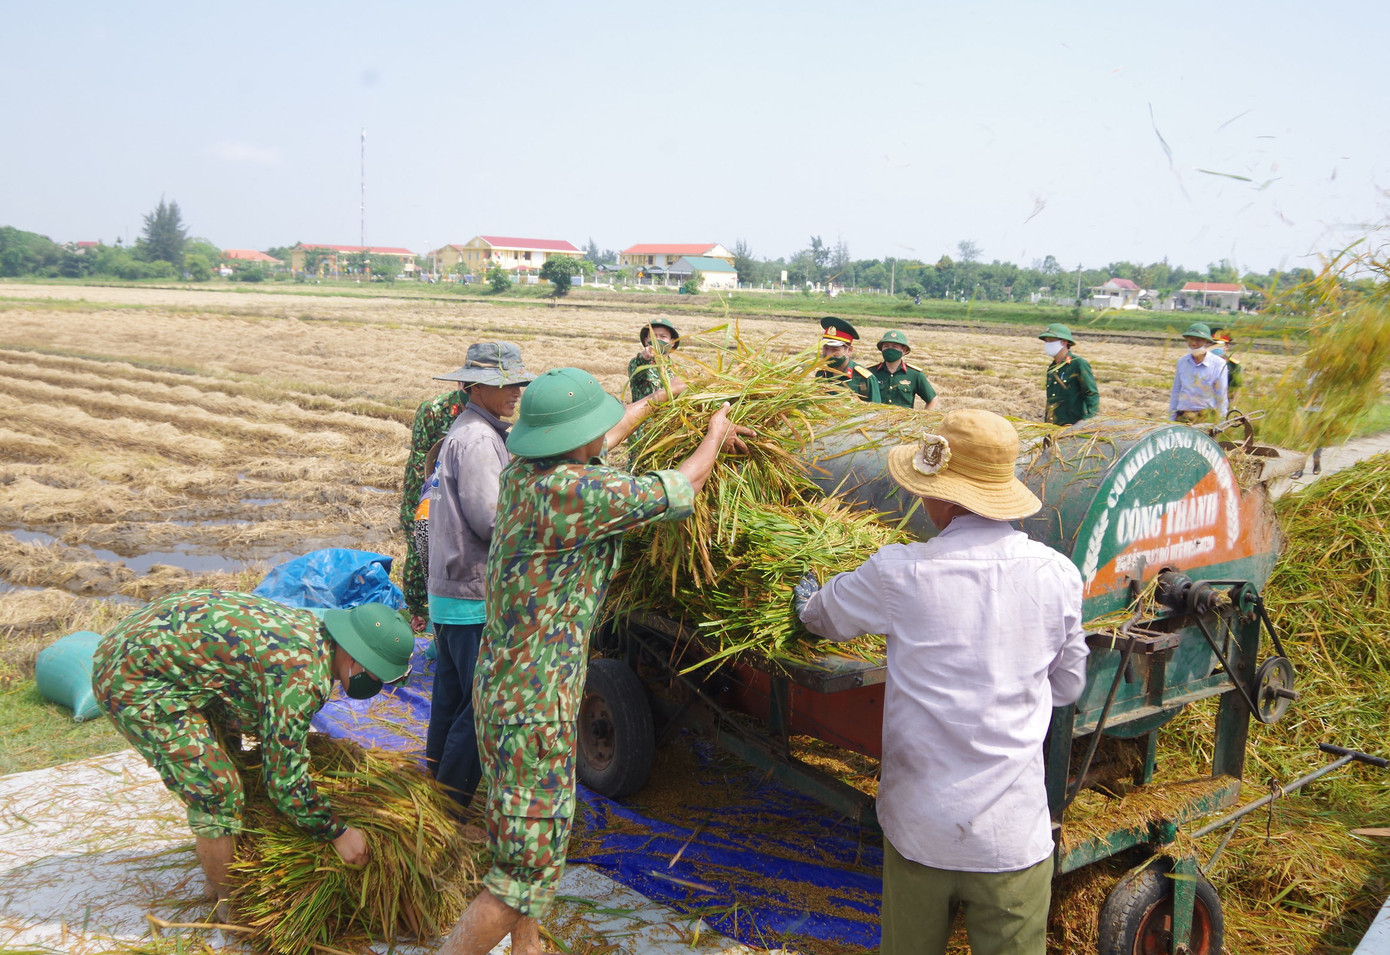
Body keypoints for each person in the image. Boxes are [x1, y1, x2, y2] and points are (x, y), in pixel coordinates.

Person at [437, 368, 751, 955]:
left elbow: (602, 440)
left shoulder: (525, 473)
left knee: (522, 846)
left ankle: (528, 948)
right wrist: (714, 432)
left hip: (507, 691)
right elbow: (680, 486)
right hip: (534, 706)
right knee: (523, 874)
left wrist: (655, 402)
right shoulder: (574, 492)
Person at [793, 409, 1089, 955]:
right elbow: (1069, 685)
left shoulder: (899, 571)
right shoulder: (1058, 575)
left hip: (920, 832)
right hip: (1010, 838)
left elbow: (822, 618)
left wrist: (806, 597)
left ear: (947, 501)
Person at [91, 590, 414, 917]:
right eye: (376, 673)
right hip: (133, 676)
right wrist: (338, 833)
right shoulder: (302, 676)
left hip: (159, 650)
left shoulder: (316, 631)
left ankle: (221, 857)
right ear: (354, 659)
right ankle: (229, 902)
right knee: (218, 790)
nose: (376, 684)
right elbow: (284, 782)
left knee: (233, 759)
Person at [425, 342, 538, 817]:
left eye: (518, 383)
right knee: (482, 707)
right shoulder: (478, 441)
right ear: (473, 387)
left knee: (451, 701)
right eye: (504, 384)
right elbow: (492, 520)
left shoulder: (472, 431)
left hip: (451, 593)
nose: (516, 392)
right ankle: (448, 813)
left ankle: (430, 798)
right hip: (473, 595)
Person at [400, 383, 467, 633]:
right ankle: (418, 608)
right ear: (460, 384)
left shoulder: (485, 411)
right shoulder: (434, 410)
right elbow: (421, 461)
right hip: (429, 486)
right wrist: (427, 503)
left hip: (461, 487)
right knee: (420, 545)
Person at [1039, 322, 1100, 426]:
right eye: (1046, 341)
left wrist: (1087, 420)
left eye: (1051, 340)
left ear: (1064, 342)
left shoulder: (1078, 364)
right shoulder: (1052, 369)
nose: (1047, 344)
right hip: (1053, 426)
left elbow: (1091, 394)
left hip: (1073, 426)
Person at [1169, 322, 1228, 424]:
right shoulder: (1182, 362)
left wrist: (1221, 420)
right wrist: (1171, 416)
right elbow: (1176, 390)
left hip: (1205, 418)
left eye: (1198, 340)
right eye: (1191, 339)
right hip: (1183, 416)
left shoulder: (1218, 364)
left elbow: (1221, 394)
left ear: (1206, 342)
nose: (1193, 343)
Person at [816, 316, 881, 403]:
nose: (828, 354)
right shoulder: (821, 375)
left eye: (835, 350)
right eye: (826, 348)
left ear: (849, 350)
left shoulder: (864, 379)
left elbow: (876, 409)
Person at [869, 330, 938, 409]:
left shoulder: (914, 374)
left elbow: (932, 399)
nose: (890, 349)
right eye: (886, 346)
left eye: (894, 346)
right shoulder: (870, 373)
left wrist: (924, 416)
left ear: (904, 350)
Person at [627, 318, 680, 402]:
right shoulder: (639, 363)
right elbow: (637, 369)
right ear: (646, 340)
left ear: (672, 342)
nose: (657, 340)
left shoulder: (678, 369)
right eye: (653, 336)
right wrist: (643, 359)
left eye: (663, 336)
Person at [1209, 328, 1243, 400]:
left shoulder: (1233, 366)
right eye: (1213, 344)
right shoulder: (1199, 362)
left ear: (1226, 347)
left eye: (1219, 345)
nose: (1215, 347)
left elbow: (1235, 391)